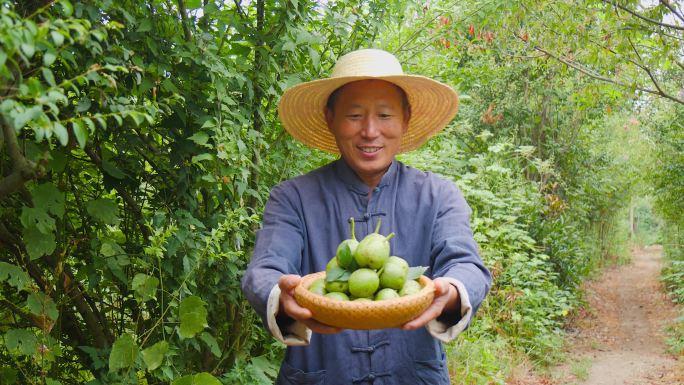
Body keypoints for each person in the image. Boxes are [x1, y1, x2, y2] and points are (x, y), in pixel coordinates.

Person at [241, 48, 492, 385]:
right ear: (330, 119)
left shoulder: (438, 195)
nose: (370, 131)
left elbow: (467, 264)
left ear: (406, 118)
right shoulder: (293, 198)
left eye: (385, 115)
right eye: (354, 115)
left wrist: (453, 291)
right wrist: (279, 296)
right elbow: (265, 270)